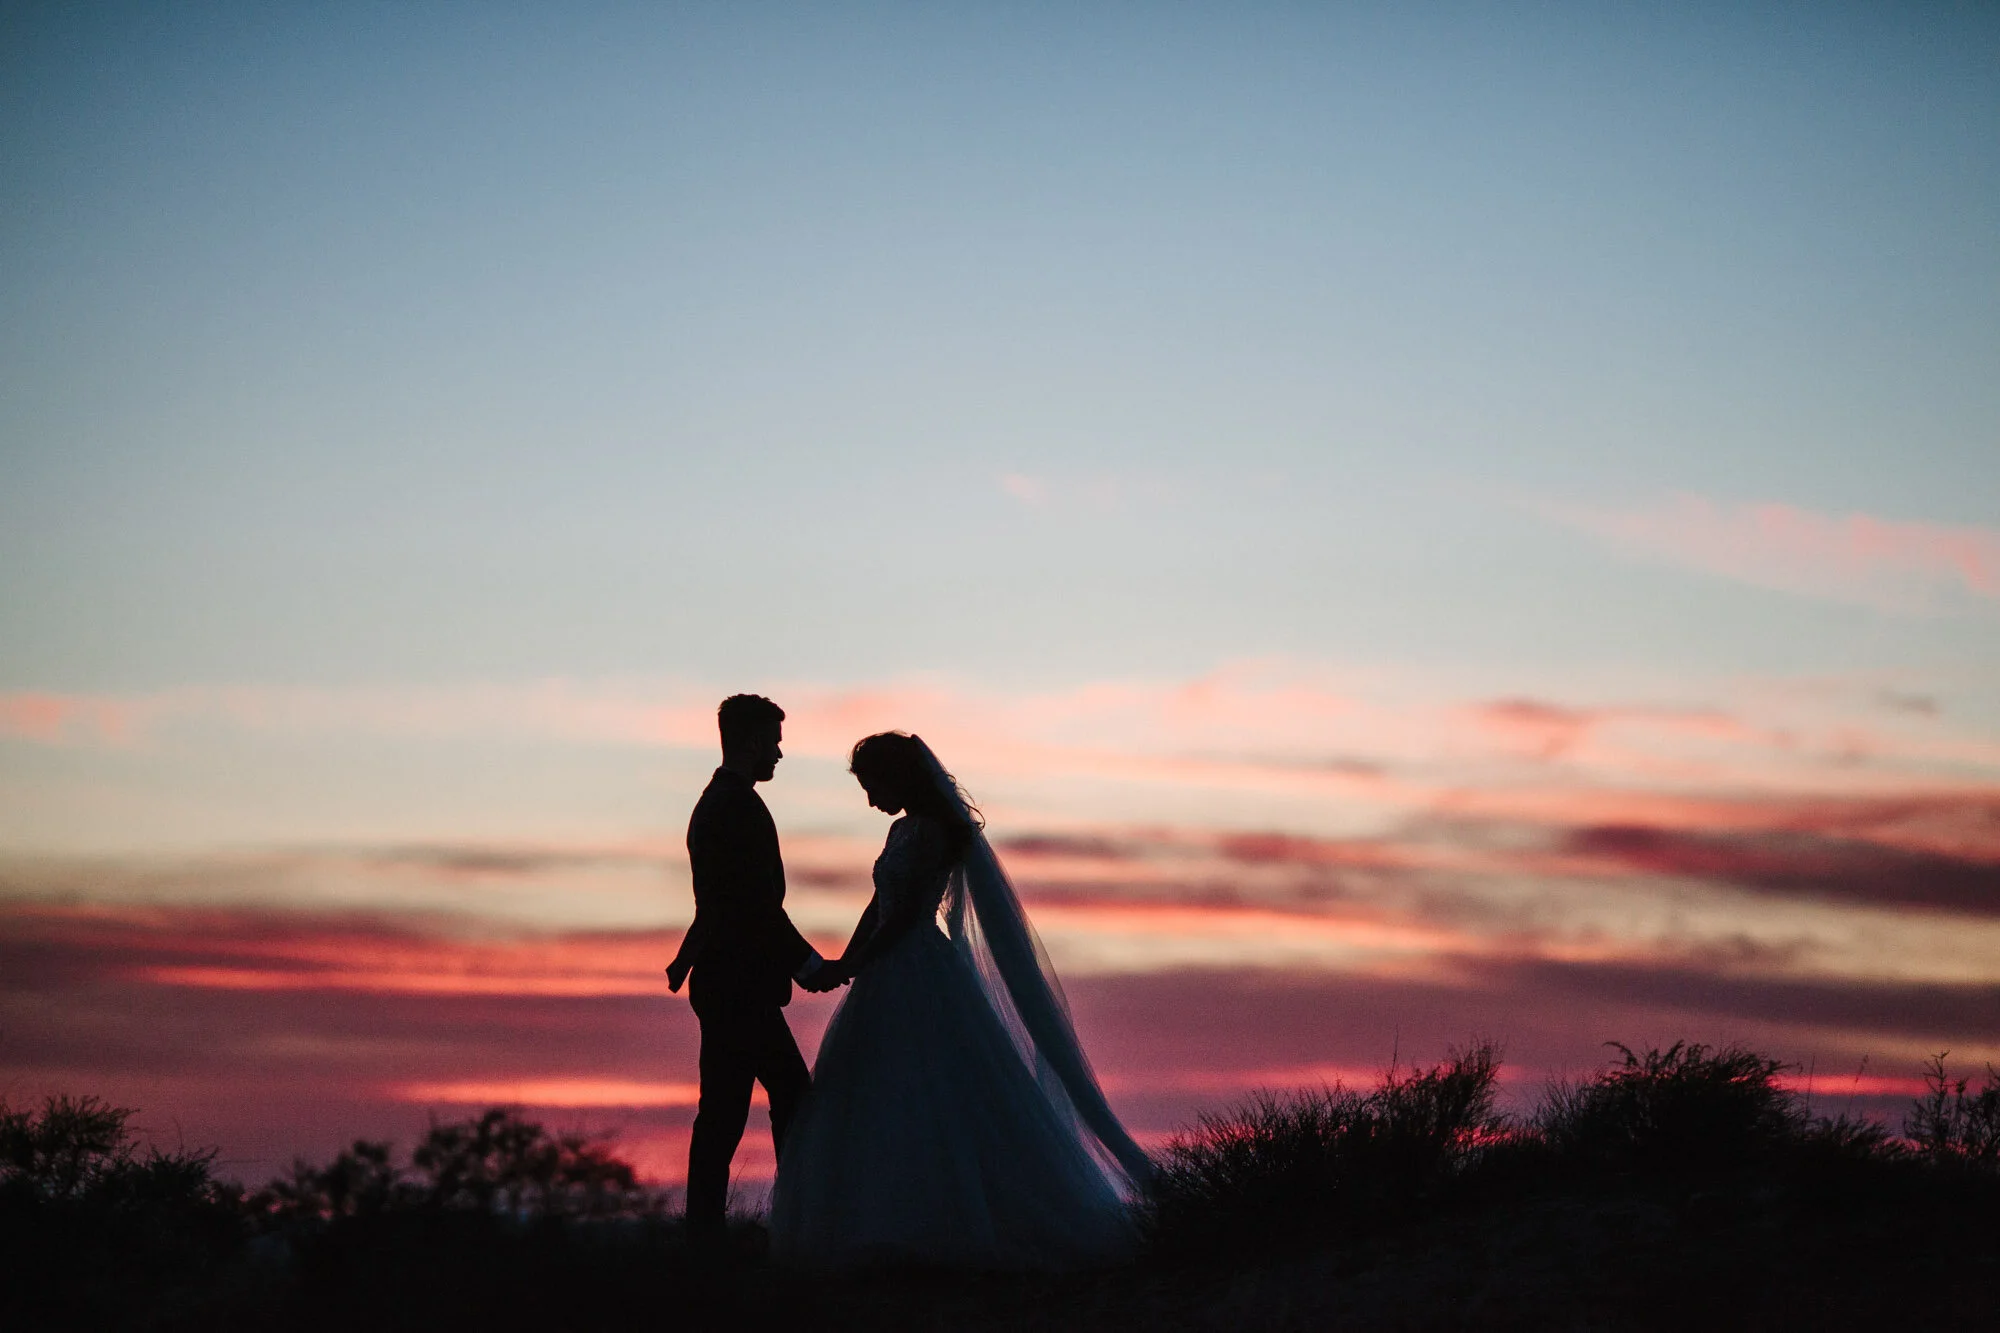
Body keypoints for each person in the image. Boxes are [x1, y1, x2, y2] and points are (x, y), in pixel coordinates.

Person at [768, 731, 1149, 1269]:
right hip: (884, 968)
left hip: (918, 966)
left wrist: (853, 965)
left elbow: (902, 917)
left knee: (932, 1089)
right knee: (876, 1089)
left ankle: (939, 1225)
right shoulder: (901, 830)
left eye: (872, 784)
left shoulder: (934, 832)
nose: (870, 798)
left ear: (897, 777)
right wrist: (844, 961)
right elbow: (878, 905)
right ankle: (878, 1224)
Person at [667, 694, 845, 1243]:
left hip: (725, 979)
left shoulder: (720, 802)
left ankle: (707, 1238)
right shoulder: (734, 807)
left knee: (722, 1112)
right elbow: (753, 905)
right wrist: (807, 964)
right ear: (749, 742)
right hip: (738, 983)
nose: (779, 754)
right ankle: (798, 1226)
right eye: (773, 742)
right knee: (792, 1097)